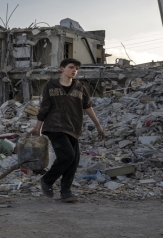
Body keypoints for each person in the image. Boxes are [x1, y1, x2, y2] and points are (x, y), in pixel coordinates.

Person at [28, 58, 106, 203]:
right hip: (54, 127)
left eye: (76, 68)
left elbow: (87, 107)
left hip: (73, 127)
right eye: (71, 67)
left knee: (74, 160)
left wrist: (98, 125)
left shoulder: (80, 87)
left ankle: (66, 192)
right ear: (62, 69)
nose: (74, 70)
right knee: (67, 156)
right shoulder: (51, 85)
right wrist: (37, 127)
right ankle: (47, 180)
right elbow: (44, 107)